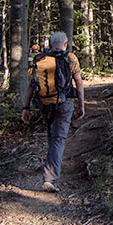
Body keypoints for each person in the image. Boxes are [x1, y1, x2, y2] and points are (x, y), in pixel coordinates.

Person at [21, 31, 85, 192]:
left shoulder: (40, 59)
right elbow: (78, 81)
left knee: (52, 137)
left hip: (44, 103)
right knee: (58, 139)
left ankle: (50, 168)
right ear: (65, 44)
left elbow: (32, 85)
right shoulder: (70, 58)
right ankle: (50, 178)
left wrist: (26, 107)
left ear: (50, 44)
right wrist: (81, 104)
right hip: (64, 104)